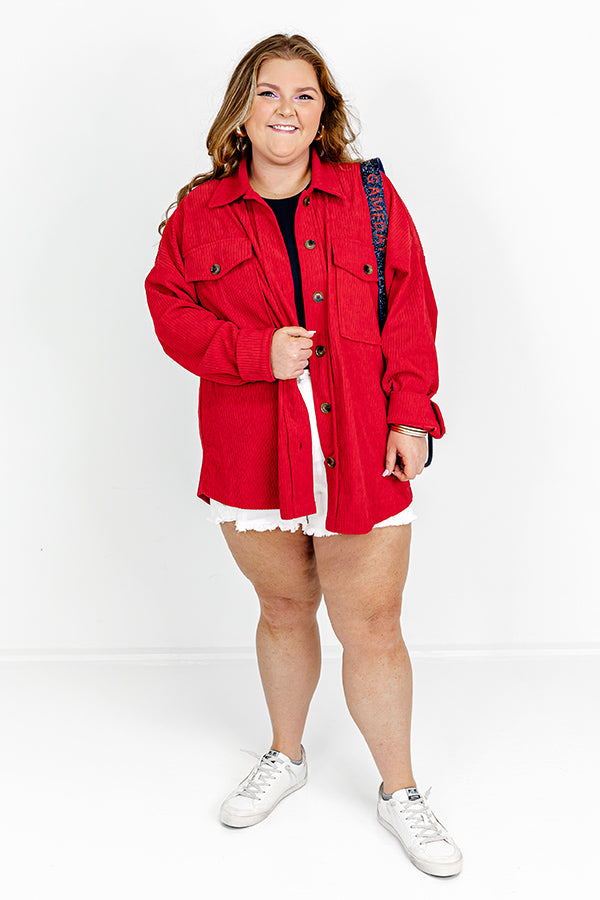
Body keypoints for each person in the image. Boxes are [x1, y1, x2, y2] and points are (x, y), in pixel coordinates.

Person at [145, 33, 462, 878]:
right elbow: (169, 312)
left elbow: (411, 308)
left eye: (305, 95)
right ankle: (287, 755)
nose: (287, 109)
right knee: (283, 611)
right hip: (254, 455)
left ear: (325, 113)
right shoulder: (199, 213)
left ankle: (401, 791)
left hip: (359, 445)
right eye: (269, 93)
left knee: (374, 626)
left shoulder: (368, 195)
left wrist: (411, 415)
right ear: (242, 111)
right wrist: (255, 353)